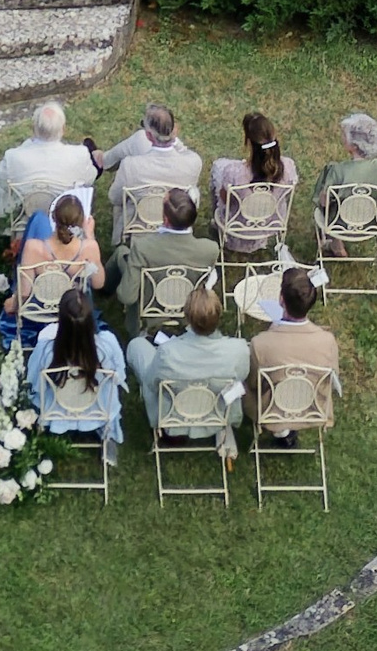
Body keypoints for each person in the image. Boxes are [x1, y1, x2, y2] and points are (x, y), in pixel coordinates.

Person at [127, 278, 248, 451]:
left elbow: (151, 384)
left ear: (187, 317)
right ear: (219, 316)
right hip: (217, 414)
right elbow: (239, 381)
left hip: (171, 418)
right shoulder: (239, 349)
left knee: (136, 346)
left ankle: (174, 433)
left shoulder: (168, 353)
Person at [29, 284, 126, 452]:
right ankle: (108, 441)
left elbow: (35, 384)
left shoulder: (45, 350)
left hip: (56, 412)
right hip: (98, 410)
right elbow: (119, 377)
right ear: (90, 320)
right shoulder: (108, 344)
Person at [251, 264, 342, 429]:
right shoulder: (327, 341)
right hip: (313, 411)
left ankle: (282, 433)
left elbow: (253, 383)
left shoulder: (260, 343)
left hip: (273, 414)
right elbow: (333, 376)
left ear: (281, 300)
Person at [113, 185, 219, 323]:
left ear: (166, 219)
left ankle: (102, 289)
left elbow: (127, 297)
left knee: (121, 253)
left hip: (150, 315)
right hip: (189, 312)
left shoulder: (143, 247)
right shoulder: (210, 249)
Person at [0, 98, 100, 224]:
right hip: (64, 218)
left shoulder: (14, 157)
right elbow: (90, 178)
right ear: (63, 129)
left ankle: (1, 226)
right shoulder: (79, 155)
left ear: (34, 128)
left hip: (25, 217)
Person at [213, 110, 295, 247]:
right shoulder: (288, 167)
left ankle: (217, 226)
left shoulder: (234, 172)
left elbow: (224, 199)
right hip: (270, 223)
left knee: (218, 167)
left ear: (249, 142)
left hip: (237, 225)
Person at [97, 100, 204, 204]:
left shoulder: (129, 166)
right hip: (177, 219)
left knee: (139, 138)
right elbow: (184, 151)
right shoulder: (194, 162)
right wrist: (174, 140)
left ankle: (102, 160)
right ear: (174, 129)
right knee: (139, 138)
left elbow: (114, 198)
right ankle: (104, 159)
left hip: (139, 220)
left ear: (148, 135)